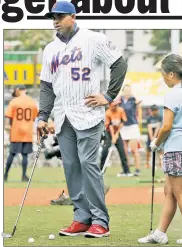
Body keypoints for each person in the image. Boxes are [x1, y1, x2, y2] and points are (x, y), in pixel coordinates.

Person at [37, 1, 127, 238]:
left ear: (73, 17)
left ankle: (100, 221)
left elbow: (119, 63)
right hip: (63, 115)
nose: (55, 20)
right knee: (71, 167)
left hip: (88, 113)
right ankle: (81, 218)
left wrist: (108, 96)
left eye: (60, 16)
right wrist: (42, 117)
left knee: (88, 165)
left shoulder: (93, 39)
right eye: (52, 16)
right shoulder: (50, 49)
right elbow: (46, 86)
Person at [138, 54, 182, 245]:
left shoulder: (173, 93)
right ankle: (160, 233)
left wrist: (156, 143)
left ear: (171, 74)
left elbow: (167, 127)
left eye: (163, 74)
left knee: (180, 192)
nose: (163, 78)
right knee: (170, 191)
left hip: (177, 149)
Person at [4, 85, 38, 182]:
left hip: (16, 131)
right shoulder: (32, 102)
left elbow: (8, 118)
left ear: (18, 90)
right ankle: (23, 176)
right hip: (27, 132)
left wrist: (8, 129)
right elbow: (34, 117)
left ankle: (5, 175)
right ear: (26, 90)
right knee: (25, 155)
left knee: (12, 154)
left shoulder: (14, 102)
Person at [100, 100, 132, 177]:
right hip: (108, 133)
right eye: (114, 105)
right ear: (110, 105)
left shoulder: (120, 110)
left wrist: (116, 135)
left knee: (122, 151)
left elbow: (122, 122)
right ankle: (101, 170)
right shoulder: (108, 113)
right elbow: (110, 126)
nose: (116, 106)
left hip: (117, 132)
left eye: (116, 105)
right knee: (105, 150)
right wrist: (113, 137)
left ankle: (126, 171)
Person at [119, 85, 142, 176]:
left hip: (132, 126)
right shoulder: (120, 100)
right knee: (124, 152)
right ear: (123, 91)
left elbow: (139, 102)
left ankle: (137, 169)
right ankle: (126, 170)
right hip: (123, 127)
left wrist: (134, 96)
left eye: (129, 91)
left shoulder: (133, 99)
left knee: (134, 150)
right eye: (125, 91)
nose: (127, 93)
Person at [145, 105, 162, 169]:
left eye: (156, 110)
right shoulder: (149, 118)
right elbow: (149, 128)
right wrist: (151, 137)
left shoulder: (159, 117)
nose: (156, 111)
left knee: (160, 150)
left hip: (158, 136)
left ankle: (160, 164)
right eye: (155, 110)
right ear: (152, 111)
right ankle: (147, 164)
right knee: (148, 150)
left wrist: (154, 137)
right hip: (150, 136)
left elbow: (158, 127)